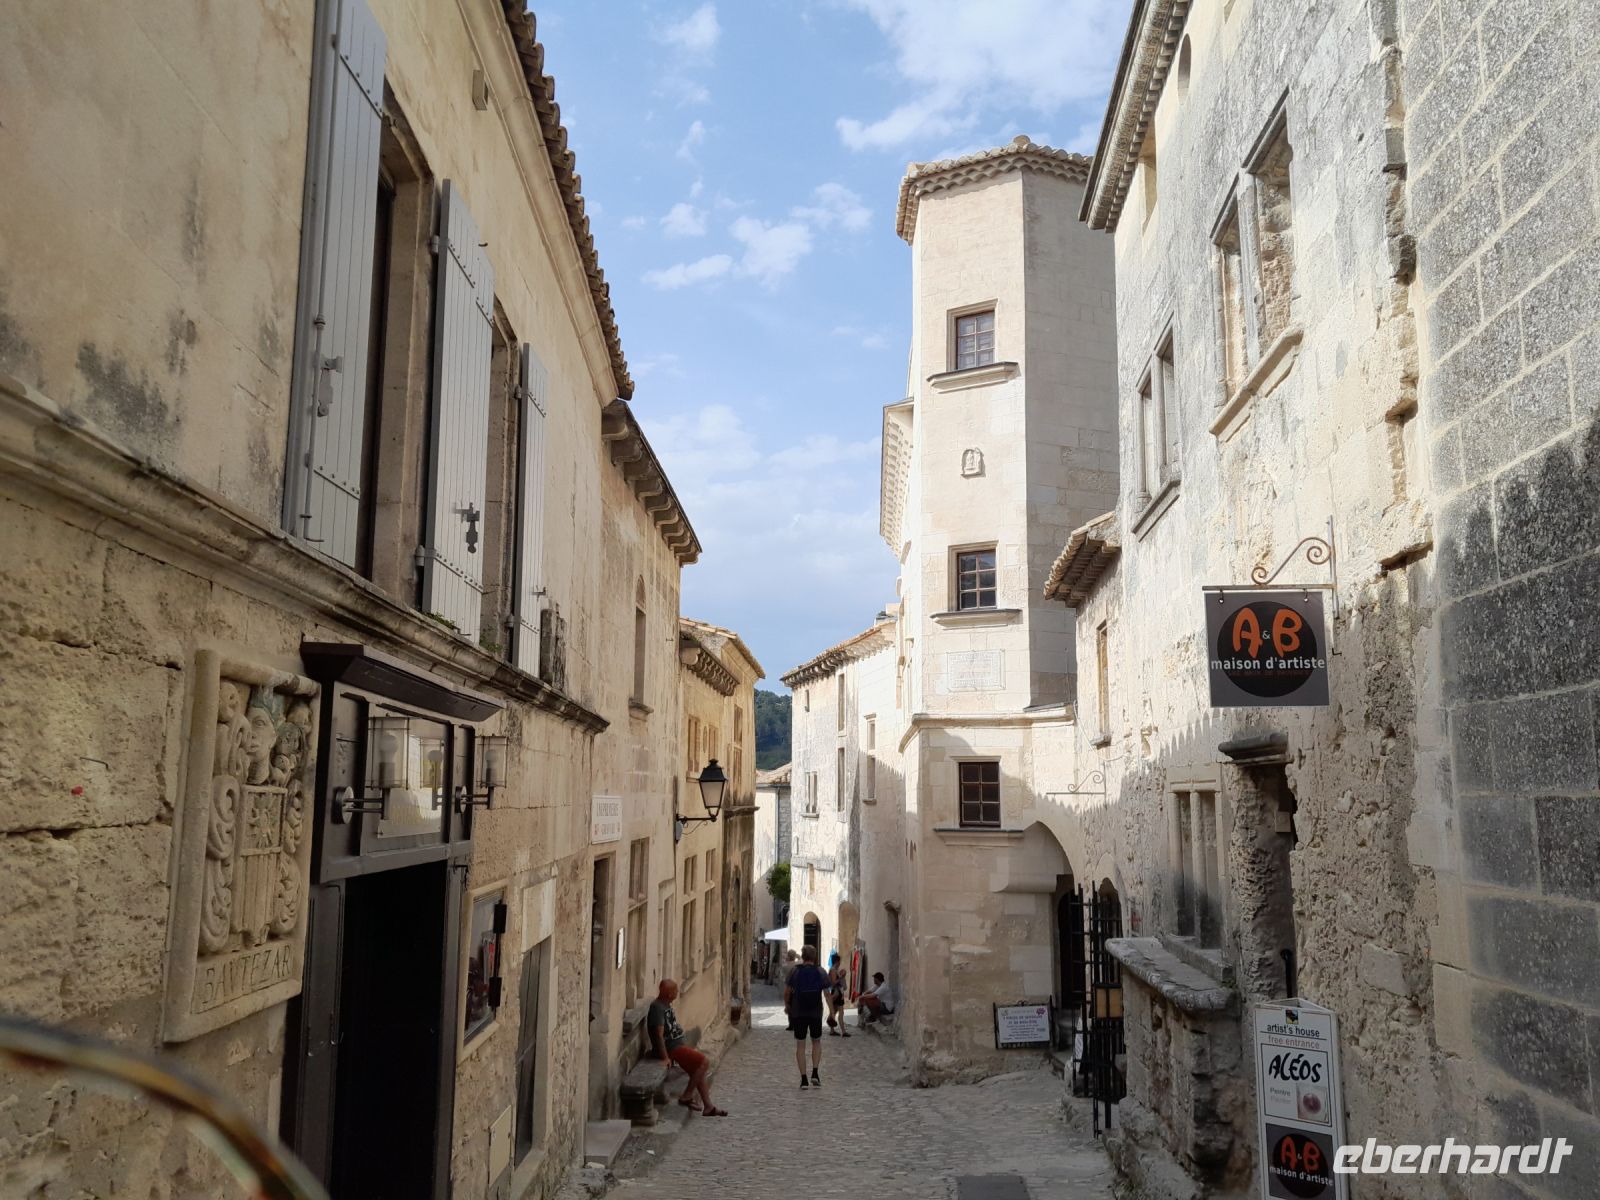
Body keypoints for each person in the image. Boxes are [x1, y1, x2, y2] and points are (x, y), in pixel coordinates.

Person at [648, 980, 727, 1116]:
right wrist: (666, 1057)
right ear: (669, 994)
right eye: (675, 991)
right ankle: (687, 1096)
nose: (677, 993)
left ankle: (708, 1106)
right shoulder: (657, 1008)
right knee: (704, 1062)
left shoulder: (666, 1005)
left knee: (697, 1070)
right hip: (671, 1048)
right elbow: (658, 1035)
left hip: (677, 1046)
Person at [784, 945, 830, 1088]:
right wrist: (832, 1012)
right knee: (816, 1042)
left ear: (803, 957)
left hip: (799, 1012)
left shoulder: (795, 972)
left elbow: (787, 992)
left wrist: (787, 1006)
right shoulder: (821, 971)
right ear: (814, 956)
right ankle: (815, 1073)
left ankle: (804, 1079)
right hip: (816, 1011)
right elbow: (827, 993)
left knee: (800, 1045)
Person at [825, 951, 851, 1037]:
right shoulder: (833, 970)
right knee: (840, 1012)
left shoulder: (834, 970)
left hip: (838, 992)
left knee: (835, 1011)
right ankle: (843, 1031)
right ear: (837, 961)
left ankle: (833, 1030)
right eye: (839, 961)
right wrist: (841, 977)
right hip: (836, 992)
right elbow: (833, 983)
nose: (840, 963)